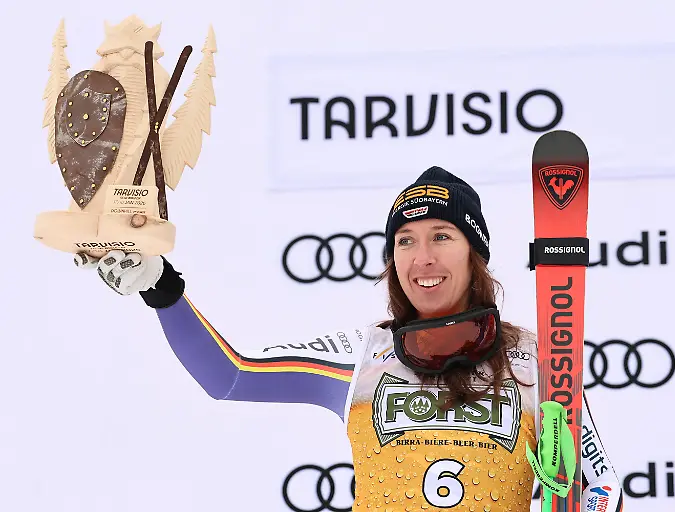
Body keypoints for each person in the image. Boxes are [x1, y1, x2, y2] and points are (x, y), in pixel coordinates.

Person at [74, 166, 624, 511]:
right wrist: (161, 287)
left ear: (474, 254)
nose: (422, 257)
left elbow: (604, 493)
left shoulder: (537, 360)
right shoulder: (361, 356)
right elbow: (231, 375)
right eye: (404, 241)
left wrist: (576, 498)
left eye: (442, 236)